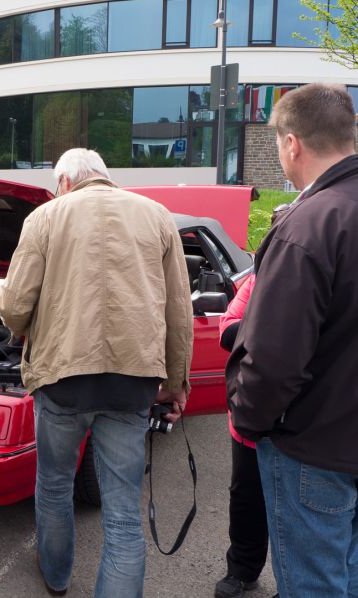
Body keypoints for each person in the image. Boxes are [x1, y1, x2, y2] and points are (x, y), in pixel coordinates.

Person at [0, 148, 193, 596]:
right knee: (123, 512)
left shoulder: (45, 218)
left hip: (63, 381)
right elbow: (178, 312)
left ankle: (57, 576)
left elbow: (13, 306)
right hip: (132, 384)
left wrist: (23, 327)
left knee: (53, 485)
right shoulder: (158, 216)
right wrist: (177, 384)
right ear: (104, 176)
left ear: (64, 182)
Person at [227, 83, 358, 597]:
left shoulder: (307, 226)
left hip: (313, 449)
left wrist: (248, 417)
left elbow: (274, 361)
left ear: (293, 144)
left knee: (314, 585)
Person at [215, 203, 294, 598]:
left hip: (302, 424)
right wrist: (265, 329)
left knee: (299, 510)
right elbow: (227, 327)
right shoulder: (257, 279)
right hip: (248, 417)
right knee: (246, 499)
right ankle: (243, 569)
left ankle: (295, 582)